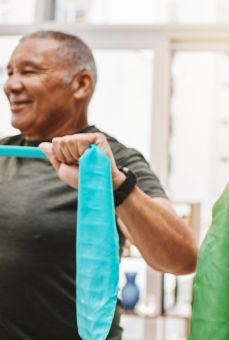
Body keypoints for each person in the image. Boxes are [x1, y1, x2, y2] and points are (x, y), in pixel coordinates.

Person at [0, 31, 197, 339]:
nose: (11, 84)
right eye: (10, 71)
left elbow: (182, 257)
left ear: (80, 84)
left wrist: (116, 184)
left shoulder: (112, 161)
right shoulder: (3, 152)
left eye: (29, 71)